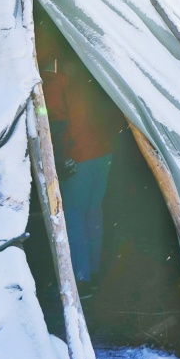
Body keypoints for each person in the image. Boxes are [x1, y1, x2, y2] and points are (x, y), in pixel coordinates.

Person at [41, 52, 124, 291]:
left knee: (74, 213)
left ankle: (81, 278)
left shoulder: (53, 83)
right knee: (92, 210)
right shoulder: (91, 75)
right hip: (104, 152)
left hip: (80, 155)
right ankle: (95, 270)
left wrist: (58, 157)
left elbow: (53, 122)